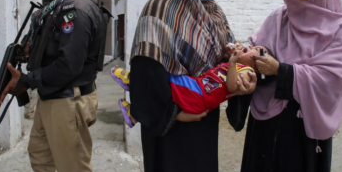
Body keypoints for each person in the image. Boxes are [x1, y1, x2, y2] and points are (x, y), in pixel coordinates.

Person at [129, 0, 257, 172]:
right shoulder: (159, 9)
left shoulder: (213, 12)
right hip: (170, 124)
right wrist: (176, 114)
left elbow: (226, 57)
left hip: (204, 119)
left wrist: (243, 73)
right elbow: (145, 73)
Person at [229, 0, 342, 172]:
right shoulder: (279, 18)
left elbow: (333, 81)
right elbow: (257, 50)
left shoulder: (339, 29)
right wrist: (249, 62)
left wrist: (283, 71)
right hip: (265, 122)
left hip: (302, 128)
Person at [0, 0, 105, 172]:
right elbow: (54, 48)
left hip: (68, 101)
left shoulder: (75, 10)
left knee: (74, 171)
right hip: (52, 97)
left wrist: (26, 81)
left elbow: (69, 65)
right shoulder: (57, 6)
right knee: (40, 154)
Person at [111, 45, 263, 127]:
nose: (251, 47)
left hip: (198, 94)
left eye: (258, 51)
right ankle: (134, 115)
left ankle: (132, 81)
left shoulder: (247, 72)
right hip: (197, 89)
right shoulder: (237, 65)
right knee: (163, 84)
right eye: (254, 46)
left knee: (163, 76)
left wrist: (232, 62)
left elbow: (231, 86)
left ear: (259, 66)